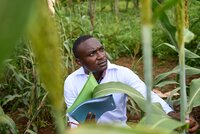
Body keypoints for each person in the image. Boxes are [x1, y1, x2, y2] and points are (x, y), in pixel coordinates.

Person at [64, 35, 199, 132]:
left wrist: (171, 114)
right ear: (79, 62)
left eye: (101, 49)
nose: (101, 56)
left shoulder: (122, 74)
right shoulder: (71, 82)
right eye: (92, 53)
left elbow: (147, 96)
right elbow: (74, 119)